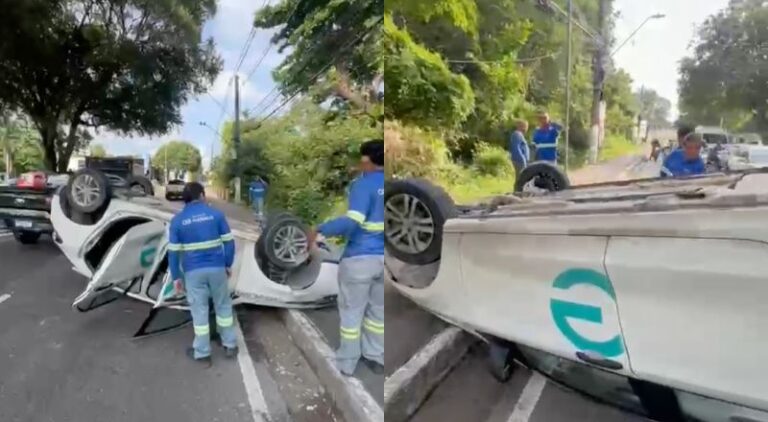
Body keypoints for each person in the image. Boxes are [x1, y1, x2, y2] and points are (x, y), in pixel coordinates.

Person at [308, 139, 384, 376]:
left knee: (352, 312)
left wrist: (320, 228)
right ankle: (375, 356)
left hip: (360, 258)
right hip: (385, 260)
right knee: (377, 314)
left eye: (363, 159)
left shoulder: (363, 185)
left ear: (367, 160)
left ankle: (347, 362)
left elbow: (353, 221)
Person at [168, 182, 237, 364]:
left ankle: (203, 353)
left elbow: (173, 253)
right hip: (217, 268)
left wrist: (176, 277)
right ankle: (230, 345)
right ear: (202, 196)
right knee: (223, 305)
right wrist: (227, 264)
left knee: (199, 311)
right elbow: (229, 243)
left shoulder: (177, 221)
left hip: (193, 272)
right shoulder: (216, 215)